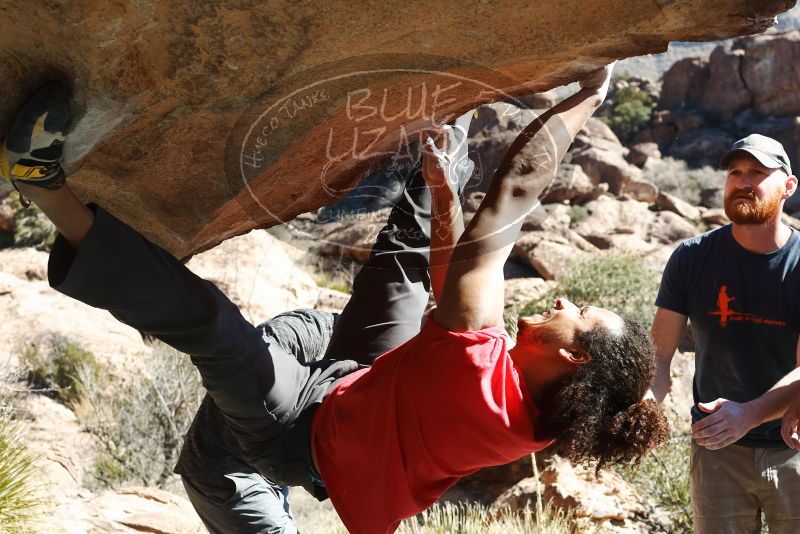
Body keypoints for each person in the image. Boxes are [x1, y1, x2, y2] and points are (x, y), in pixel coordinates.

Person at [1, 64, 667, 534]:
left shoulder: (478, 366)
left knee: (214, 327)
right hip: (369, 385)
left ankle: (41, 183)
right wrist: (440, 187)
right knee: (415, 249)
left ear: (576, 357)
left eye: (573, 315)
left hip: (297, 435)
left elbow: (513, 194)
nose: (560, 304)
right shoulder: (534, 409)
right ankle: (451, 119)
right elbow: (452, 284)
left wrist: (588, 96)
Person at [650, 134, 800, 533]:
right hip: (717, 447)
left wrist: (749, 414)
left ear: (788, 186)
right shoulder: (692, 257)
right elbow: (659, 354)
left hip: (794, 445)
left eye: (757, 172)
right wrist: (644, 409)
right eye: (735, 172)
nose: (742, 181)